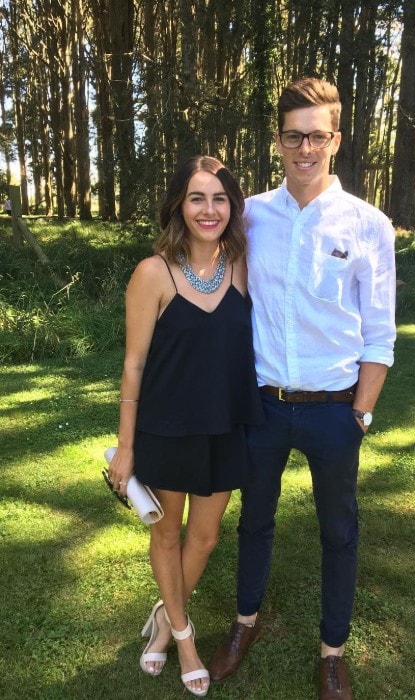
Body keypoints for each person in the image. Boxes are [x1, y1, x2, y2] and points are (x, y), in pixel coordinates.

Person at [208, 78, 396, 700]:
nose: (306, 147)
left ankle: (333, 652)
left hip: (334, 412)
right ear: (280, 141)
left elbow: (379, 333)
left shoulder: (369, 225)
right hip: (264, 406)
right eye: (295, 136)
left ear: (335, 140)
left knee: (338, 532)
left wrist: (360, 414)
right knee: (253, 521)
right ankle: (244, 624)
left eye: (318, 135)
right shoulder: (253, 214)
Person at [107, 155, 263, 697]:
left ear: (231, 207)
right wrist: (125, 446)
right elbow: (134, 364)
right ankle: (183, 636)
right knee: (168, 534)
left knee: (205, 536)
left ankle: (161, 617)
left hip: (225, 424)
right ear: (179, 204)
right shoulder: (154, 272)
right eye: (197, 197)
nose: (209, 209)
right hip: (167, 428)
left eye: (219, 198)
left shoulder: (243, 268)